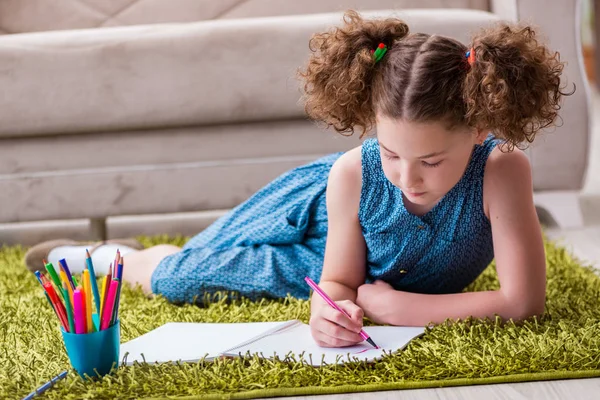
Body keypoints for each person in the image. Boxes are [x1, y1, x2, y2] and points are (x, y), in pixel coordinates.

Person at [25, 10, 568, 348]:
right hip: (312, 205)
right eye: (392, 153)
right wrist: (340, 301)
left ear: (478, 129)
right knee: (199, 252)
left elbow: (525, 303)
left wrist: (385, 309)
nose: (407, 177)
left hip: (334, 265)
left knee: (188, 279)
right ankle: (116, 259)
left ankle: (148, 262)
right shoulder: (355, 170)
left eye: (430, 161)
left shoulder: (502, 169)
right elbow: (339, 281)